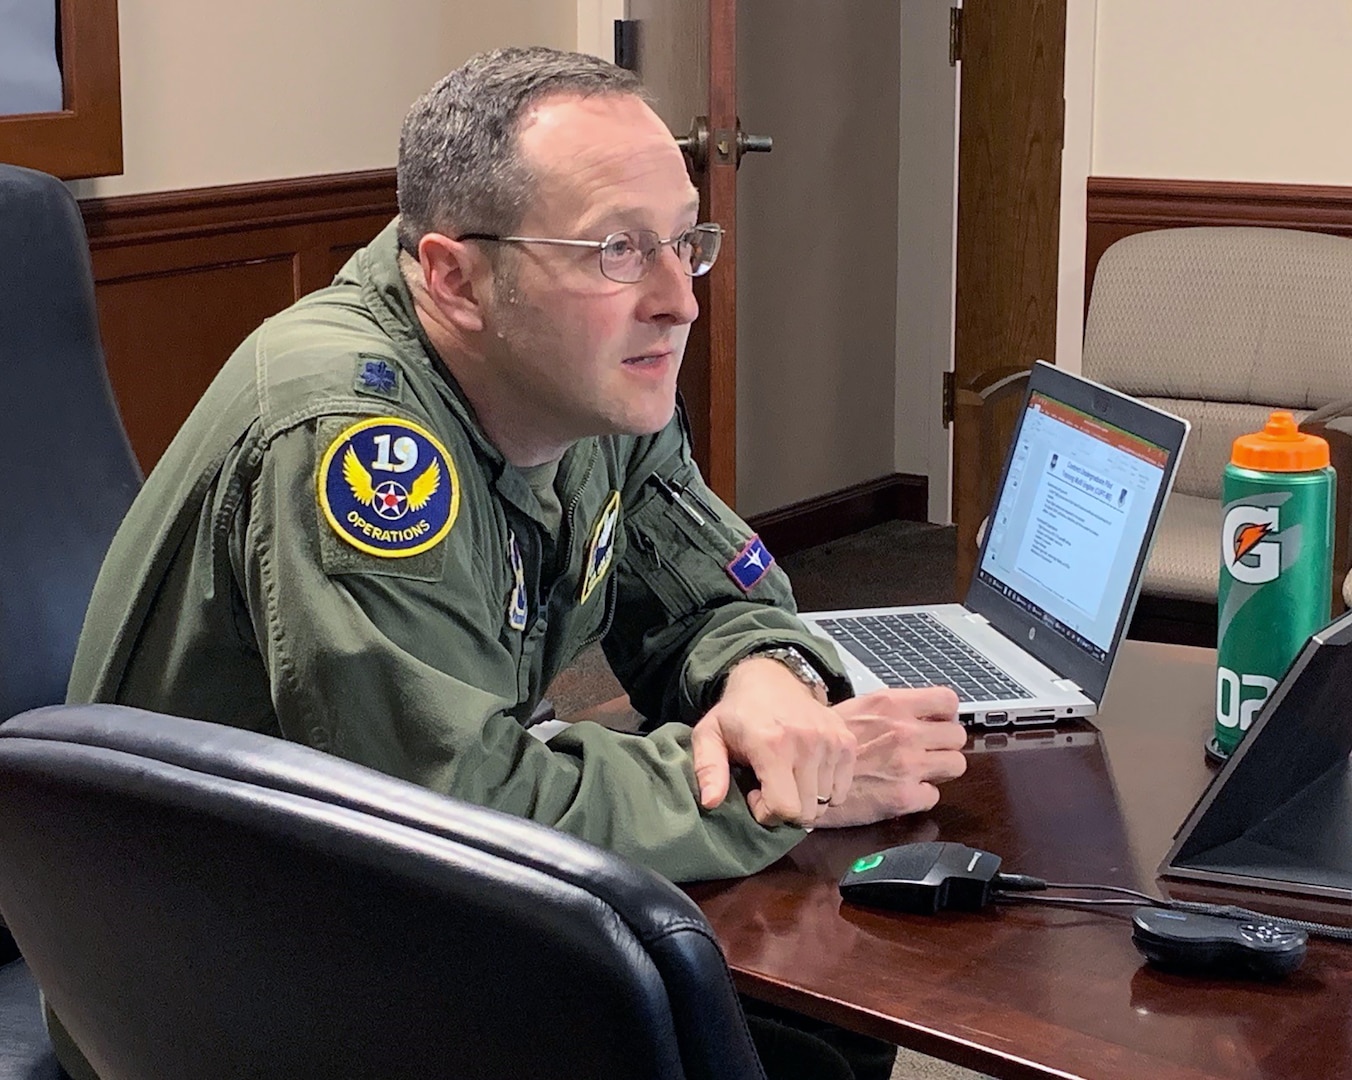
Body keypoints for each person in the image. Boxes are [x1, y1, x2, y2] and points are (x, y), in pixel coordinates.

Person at [62, 46, 967, 1080]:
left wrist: (767, 680)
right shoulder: (360, 448)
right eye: (616, 251)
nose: (679, 301)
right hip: (215, 972)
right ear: (453, 276)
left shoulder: (572, 368)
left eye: (683, 243)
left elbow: (709, 585)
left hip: (373, 914)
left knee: (818, 1025)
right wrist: (788, 783)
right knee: (775, 1047)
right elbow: (452, 799)